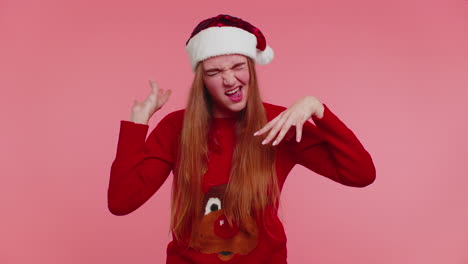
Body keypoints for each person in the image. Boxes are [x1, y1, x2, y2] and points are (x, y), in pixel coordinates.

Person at [108, 14, 376, 264]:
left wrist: (317, 109)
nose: (229, 80)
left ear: (251, 67)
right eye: (214, 72)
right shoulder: (176, 127)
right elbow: (121, 202)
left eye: (238, 66)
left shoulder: (281, 123)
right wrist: (136, 124)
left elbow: (360, 174)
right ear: (202, 80)